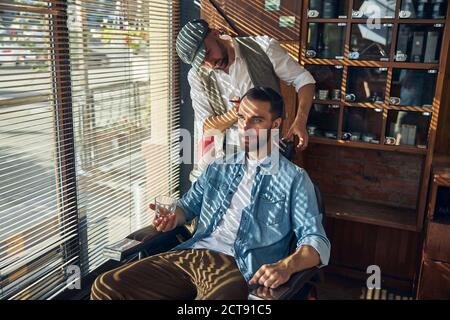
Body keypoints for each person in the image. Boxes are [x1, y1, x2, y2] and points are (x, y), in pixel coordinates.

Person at [90, 87, 330, 300]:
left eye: (256, 120)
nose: (244, 127)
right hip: (192, 254)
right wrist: (174, 217)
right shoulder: (218, 167)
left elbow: (316, 242)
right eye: (241, 118)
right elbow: (187, 207)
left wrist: (286, 266)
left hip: (238, 266)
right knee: (106, 285)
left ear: (275, 125)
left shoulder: (294, 179)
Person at [176, 19, 316, 182]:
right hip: (225, 156)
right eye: (202, 63)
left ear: (215, 33)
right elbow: (207, 126)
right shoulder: (197, 76)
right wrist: (236, 113)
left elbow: (303, 79)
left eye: (207, 53)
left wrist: (300, 120)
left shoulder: (263, 48)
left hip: (268, 149)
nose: (210, 64)